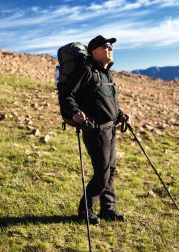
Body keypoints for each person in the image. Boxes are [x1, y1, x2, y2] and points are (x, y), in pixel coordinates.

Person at [63, 35, 129, 225]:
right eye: (106, 46)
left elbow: (107, 99)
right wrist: (75, 112)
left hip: (111, 127)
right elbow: (67, 94)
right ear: (95, 51)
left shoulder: (107, 72)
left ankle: (108, 209)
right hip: (95, 129)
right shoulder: (86, 70)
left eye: (111, 46)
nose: (110, 48)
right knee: (102, 173)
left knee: (111, 169)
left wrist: (120, 113)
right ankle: (85, 211)